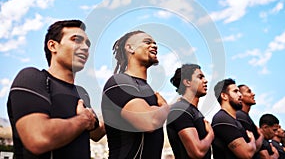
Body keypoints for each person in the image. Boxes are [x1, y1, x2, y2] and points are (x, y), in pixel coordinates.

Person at [7, 20, 106, 159]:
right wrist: (83, 120)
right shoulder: (33, 78)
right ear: (53, 46)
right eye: (76, 40)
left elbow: (95, 133)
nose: (85, 47)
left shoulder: (81, 93)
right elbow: (39, 138)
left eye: (87, 44)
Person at [101, 30, 169, 159]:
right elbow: (149, 121)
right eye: (147, 42)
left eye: (155, 43)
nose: (154, 46)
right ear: (130, 48)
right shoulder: (119, 82)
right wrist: (165, 107)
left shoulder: (145, 88)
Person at [167, 64, 214, 158]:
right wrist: (211, 134)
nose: (205, 81)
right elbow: (197, 152)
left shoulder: (193, 111)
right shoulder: (180, 109)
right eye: (200, 77)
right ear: (187, 82)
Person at [211, 78, 256, 159]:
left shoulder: (234, 121)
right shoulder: (222, 119)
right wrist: (252, 140)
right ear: (224, 96)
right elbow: (246, 154)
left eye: (239, 91)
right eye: (235, 91)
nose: (240, 95)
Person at [236, 84, 264, 159]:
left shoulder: (245, 116)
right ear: (239, 96)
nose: (253, 94)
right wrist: (261, 135)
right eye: (249, 91)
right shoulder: (240, 116)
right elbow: (252, 148)